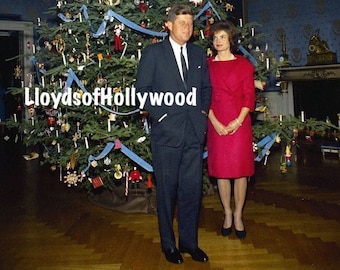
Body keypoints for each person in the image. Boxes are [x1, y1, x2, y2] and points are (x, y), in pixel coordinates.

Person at [135, 3, 211, 264]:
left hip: (193, 134)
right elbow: (142, 91)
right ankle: (169, 245)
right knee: (167, 193)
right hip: (166, 134)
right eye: (182, 23)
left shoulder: (199, 54)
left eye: (190, 24)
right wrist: (163, 116)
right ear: (168, 25)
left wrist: (202, 114)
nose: (187, 28)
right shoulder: (154, 53)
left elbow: (206, 89)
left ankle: (189, 243)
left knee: (192, 191)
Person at [207, 20, 255, 240]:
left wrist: (237, 121)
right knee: (222, 172)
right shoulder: (206, 65)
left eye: (222, 37)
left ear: (231, 39)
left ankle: (238, 215)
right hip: (215, 122)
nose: (218, 41)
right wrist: (215, 122)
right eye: (215, 37)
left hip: (239, 123)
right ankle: (227, 213)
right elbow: (202, 97)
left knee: (240, 172)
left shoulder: (244, 64)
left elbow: (249, 95)